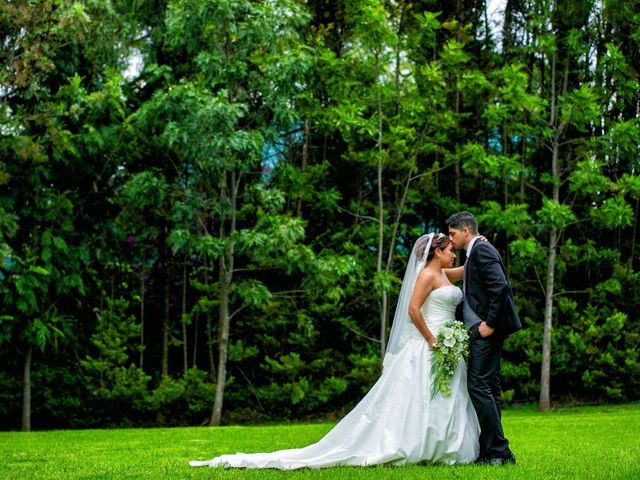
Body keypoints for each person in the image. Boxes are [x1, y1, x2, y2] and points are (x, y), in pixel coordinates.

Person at [189, 233, 480, 469]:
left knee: (447, 396)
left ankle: (444, 447)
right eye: (450, 250)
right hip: (427, 345)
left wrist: (479, 243)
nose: (454, 254)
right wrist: (431, 339)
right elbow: (413, 310)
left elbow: (468, 269)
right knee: (418, 399)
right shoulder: (427, 277)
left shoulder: (444, 273)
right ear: (436, 252)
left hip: (447, 346)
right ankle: (418, 445)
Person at [446, 211, 522, 466]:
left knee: (478, 386)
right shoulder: (474, 252)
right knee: (489, 388)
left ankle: (499, 451)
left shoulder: (481, 250)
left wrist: (489, 323)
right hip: (480, 330)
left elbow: (500, 287)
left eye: (452, 233)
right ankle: (493, 452)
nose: (451, 238)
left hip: (484, 330)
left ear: (465, 231)